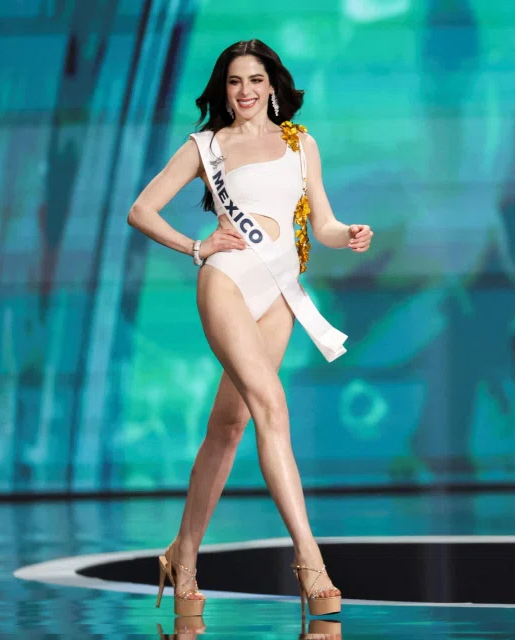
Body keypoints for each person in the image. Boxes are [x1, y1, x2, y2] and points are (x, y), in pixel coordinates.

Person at [127, 39, 373, 618]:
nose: (245, 92)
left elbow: (324, 222)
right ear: (223, 89)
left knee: (229, 427)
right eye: (235, 82)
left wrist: (349, 234)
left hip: (279, 295)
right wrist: (196, 245)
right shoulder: (207, 146)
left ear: (272, 86)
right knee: (272, 406)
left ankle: (182, 556)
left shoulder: (300, 142)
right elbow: (142, 209)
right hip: (228, 282)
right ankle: (311, 564)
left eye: (255, 81)